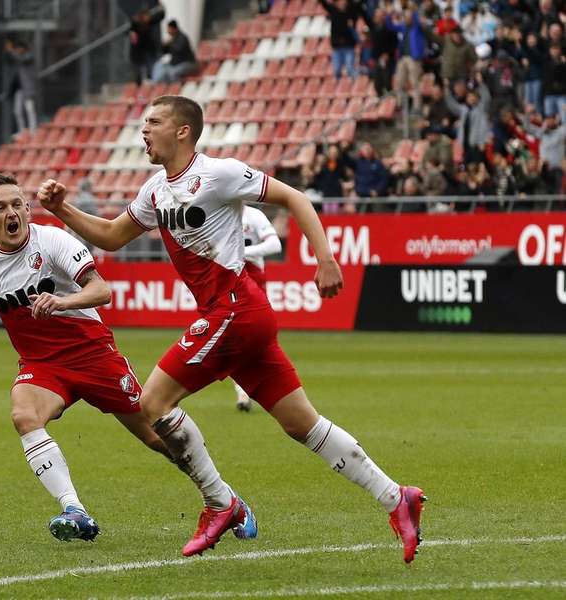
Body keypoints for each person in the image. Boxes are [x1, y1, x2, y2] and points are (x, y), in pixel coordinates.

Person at [37, 95, 425, 562]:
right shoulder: (156, 189)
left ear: (182, 131)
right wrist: (64, 210)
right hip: (239, 317)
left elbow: (294, 197)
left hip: (233, 310)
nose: (144, 131)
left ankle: (222, 503)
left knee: (153, 402)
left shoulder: (218, 173)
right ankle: (395, 498)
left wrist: (325, 258)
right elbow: (113, 237)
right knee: (302, 423)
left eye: (154, 122)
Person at [0, 173, 173, 542]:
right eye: (1, 207)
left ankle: (220, 494)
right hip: (43, 365)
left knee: (155, 437)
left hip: (93, 355)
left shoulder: (53, 240)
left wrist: (62, 302)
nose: (12, 213)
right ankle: (75, 509)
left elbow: (101, 291)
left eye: (17, 204)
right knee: (24, 415)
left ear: (27, 209)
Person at [233, 205, 281, 412]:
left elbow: (275, 245)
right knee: (234, 339)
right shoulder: (217, 213)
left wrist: (244, 252)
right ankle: (243, 392)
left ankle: (267, 389)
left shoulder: (253, 216)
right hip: (228, 279)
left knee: (260, 338)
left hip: (253, 278)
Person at [4, 40, 38, 132]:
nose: (18, 50)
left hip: (28, 88)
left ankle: (33, 130)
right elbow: (10, 59)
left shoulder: (29, 56)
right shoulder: (17, 59)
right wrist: (9, 51)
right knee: (17, 111)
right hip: (19, 89)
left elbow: (21, 59)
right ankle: (21, 130)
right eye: (17, 48)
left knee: (29, 109)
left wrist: (11, 50)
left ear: (24, 49)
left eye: (19, 48)